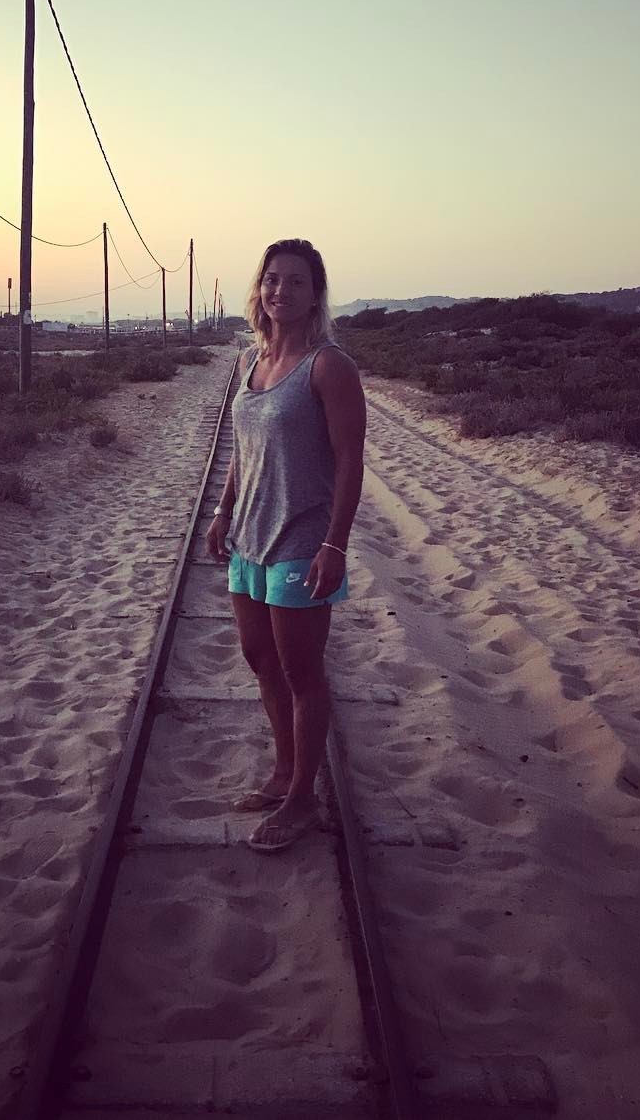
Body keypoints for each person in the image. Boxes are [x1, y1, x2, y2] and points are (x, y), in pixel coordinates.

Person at [205, 238, 366, 853]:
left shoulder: (329, 366)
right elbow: (243, 451)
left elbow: (349, 461)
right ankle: (283, 771)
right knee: (260, 660)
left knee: (302, 672)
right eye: (272, 279)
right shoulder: (252, 361)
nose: (281, 291)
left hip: (301, 539)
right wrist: (223, 511)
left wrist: (335, 545)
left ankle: (303, 800)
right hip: (248, 537)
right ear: (260, 288)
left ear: (316, 294)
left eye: (297, 281)